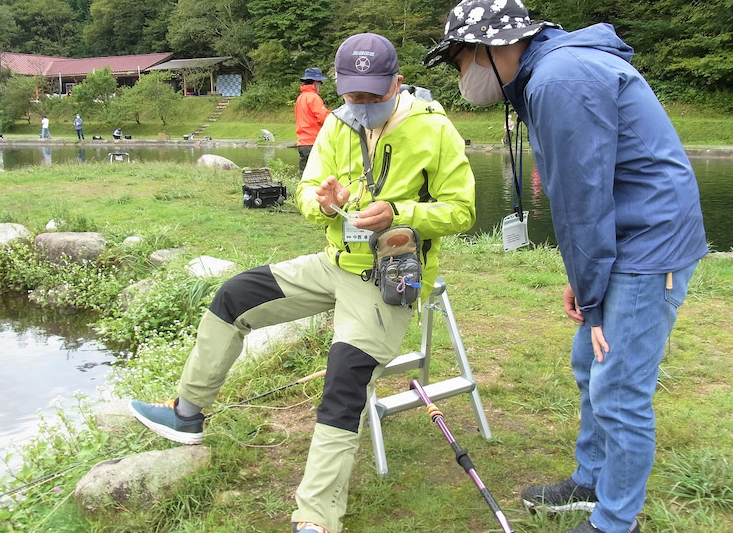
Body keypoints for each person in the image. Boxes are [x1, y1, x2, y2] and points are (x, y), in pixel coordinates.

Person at [129, 33, 476, 533]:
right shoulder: (335, 124)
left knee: (344, 379)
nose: (361, 107)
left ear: (396, 84)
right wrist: (323, 199)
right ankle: (187, 413)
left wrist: (400, 212)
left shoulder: (435, 130)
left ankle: (316, 520)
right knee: (234, 296)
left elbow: (463, 211)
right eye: (352, 95)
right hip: (334, 262)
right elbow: (308, 192)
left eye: (373, 97)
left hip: (386, 278)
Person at [424, 0, 708, 533]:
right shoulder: (548, 73)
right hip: (626, 236)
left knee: (620, 388)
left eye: (460, 60)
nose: (461, 75)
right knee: (591, 364)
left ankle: (614, 522)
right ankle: (591, 478)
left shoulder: (560, 80)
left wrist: (595, 293)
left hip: (648, 244)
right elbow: (582, 196)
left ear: (492, 48)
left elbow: (584, 200)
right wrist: (584, 282)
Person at [294, 67, 332, 175]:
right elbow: (324, 118)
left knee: (304, 176)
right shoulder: (314, 97)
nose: (320, 86)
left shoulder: (300, 98)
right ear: (315, 82)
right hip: (313, 142)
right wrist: (335, 116)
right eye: (320, 83)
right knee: (318, 176)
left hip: (302, 143)